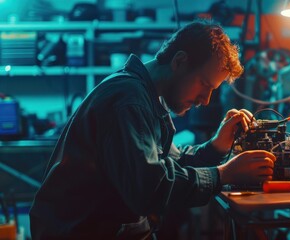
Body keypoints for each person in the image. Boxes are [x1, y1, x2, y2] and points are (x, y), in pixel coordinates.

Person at [29, 20, 276, 239]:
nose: (206, 100)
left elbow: (173, 164)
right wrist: (223, 175)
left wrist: (216, 146)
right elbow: (150, 188)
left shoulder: (146, 97)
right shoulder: (129, 101)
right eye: (203, 84)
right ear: (179, 61)